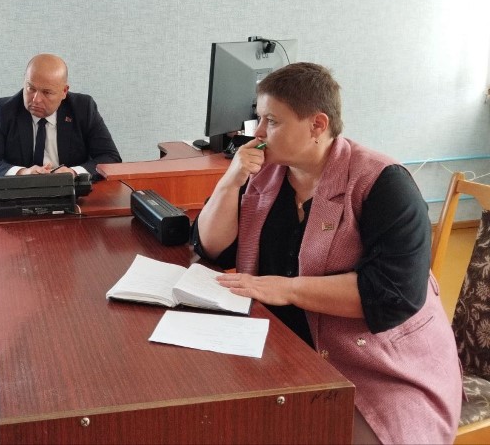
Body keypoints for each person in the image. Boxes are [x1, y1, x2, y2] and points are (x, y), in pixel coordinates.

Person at [193, 63, 461, 444]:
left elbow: (391, 296)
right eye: (259, 118)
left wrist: (286, 289)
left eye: (273, 121)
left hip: (381, 369)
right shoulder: (265, 174)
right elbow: (211, 247)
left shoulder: (383, 183)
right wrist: (230, 180)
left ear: (317, 125)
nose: (259, 133)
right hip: (285, 354)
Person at [0, 53, 121, 180]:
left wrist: (74, 173)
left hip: (73, 194)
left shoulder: (83, 108)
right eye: (31, 88)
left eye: (47, 92)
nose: (36, 99)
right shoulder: (4, 110)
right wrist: (22, 173)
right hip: (20, 194)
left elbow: (110, 158)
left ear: (64, 91)